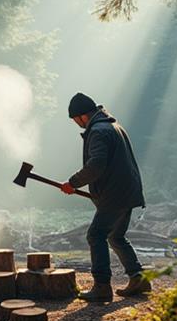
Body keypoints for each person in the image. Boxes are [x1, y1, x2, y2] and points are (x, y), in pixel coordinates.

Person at [61, 92, 149, 302]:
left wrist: (73, 183)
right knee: (116, 236)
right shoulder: (112, 126)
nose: (76, 124)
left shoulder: (98, 131)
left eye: (75, 120)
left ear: (82, 116)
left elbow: (96, 165)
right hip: (127, 191)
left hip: (115, 194)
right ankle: (138, 279)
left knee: (96, 235)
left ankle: (102, 287)